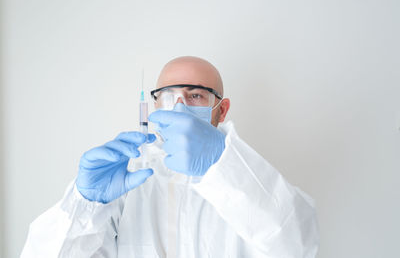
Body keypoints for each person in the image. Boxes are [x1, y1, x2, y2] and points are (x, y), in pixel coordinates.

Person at [21, 56, 319, 258]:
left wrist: (222, 163)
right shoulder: (128, 175)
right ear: (152, 106)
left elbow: (297, 246)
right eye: (167, 95)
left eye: (195, 95)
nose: (179, 107)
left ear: (222, 109)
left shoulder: (249, 176)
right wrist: (83, 203)